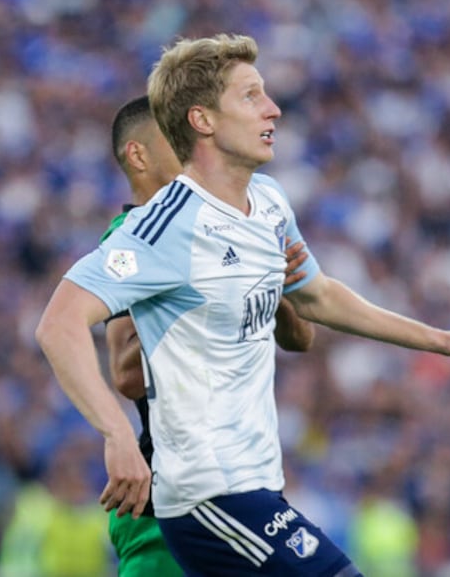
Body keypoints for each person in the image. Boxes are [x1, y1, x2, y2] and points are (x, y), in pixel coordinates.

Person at [36, 33, 450, 576]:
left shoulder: (268, 202)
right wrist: (118, 434)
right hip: (208, 494)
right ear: (203, 121)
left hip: (258, 483)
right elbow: (60, 324)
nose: (272, 109)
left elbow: (316, 295)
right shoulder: (162, 227)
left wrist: (443, 339)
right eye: (250, 97)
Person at [101, 95, 317, 576]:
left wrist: (273, 284)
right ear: (138, 156)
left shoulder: (233, 226)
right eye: (175, 140)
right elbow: (126, 375)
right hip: (172, 506)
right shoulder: (129, 238)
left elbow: (302, 338)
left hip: (243, 486)